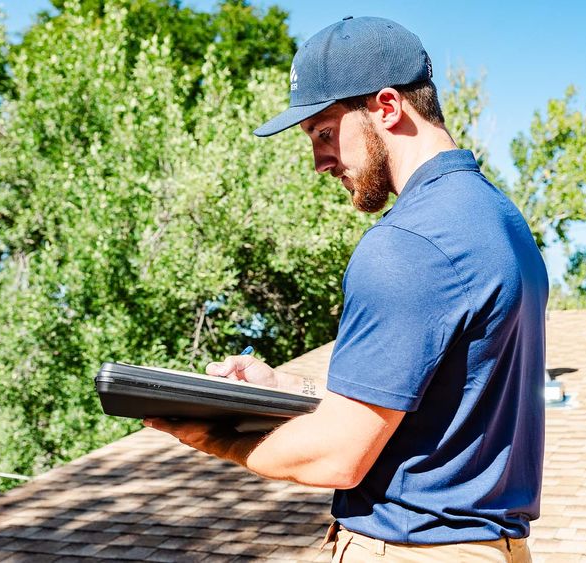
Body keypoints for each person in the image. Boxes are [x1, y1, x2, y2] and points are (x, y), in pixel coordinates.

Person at [145, 15, 547, 563]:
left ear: (387, 106)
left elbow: (337, 457)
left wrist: (211, 435)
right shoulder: (500, 221)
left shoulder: (408, 241)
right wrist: (283, 392)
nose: (319, 162)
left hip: (410, 550)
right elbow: (432, 407)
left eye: (325, 133)